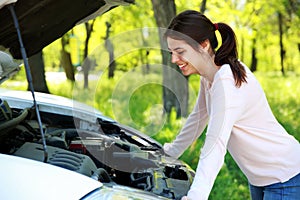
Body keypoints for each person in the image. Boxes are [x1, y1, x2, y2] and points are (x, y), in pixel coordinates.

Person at [163, 10, 300, 200]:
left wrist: (196, 196)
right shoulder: (210, 76)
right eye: (171, 52)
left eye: (180, 52)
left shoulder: (226, 83)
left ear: (203, 45)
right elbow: (198, 119)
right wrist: (169, 153)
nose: (174, 60)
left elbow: (215, 145)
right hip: (263, 178)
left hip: (284, 177)